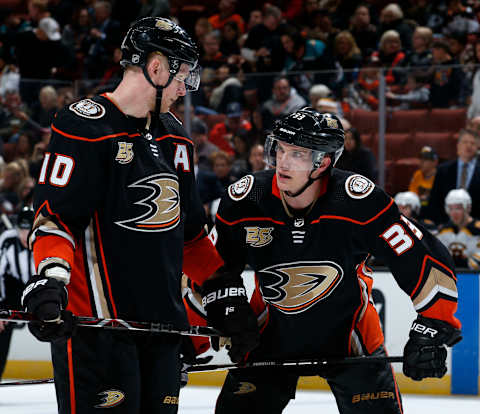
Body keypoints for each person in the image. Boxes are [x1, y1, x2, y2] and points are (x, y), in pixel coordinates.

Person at [19, 17, 257, 414]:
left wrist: (223, 292)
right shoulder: (85, 126)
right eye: (182, 74)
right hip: (98, 332)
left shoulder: (176, 138)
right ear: (157, 67)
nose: (185, 87)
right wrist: (51, 280)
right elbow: (54, 221)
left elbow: (192, 237)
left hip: (164, 334)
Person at [207, 108, 462, 414]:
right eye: (280, 149)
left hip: (352, 343)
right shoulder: (245, 199)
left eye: (298, 154)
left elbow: (423, 257)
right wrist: (225, 309)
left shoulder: (359, 202)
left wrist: (432, 325)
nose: (283, 162)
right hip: (268, 341)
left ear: (323, 162)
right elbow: (210, 265)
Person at [0, 206, 34, 380]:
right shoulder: (7, 240)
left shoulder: (43, 239)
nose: (24, 236)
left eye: (28, 231)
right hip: (12, 294)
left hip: (39, 292)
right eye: (21, 230)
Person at [425, 129, 480, 224]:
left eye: (472, 143)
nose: (468, 146)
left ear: (477, 148)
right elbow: (434, 201)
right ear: (458, 145)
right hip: (445, 225)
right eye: (465, 142)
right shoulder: (443, 170)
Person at [437, 189, 480, 270]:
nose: (454, 213)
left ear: (468, 208)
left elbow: (477, 263)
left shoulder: (477, 229)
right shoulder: (444, 230)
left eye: (458, 208)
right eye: (450, 208)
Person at [408, 146, 438, 212]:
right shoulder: (417, 174)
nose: (421, 162)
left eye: (426, 159)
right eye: (421, 158)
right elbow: (412, 195)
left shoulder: (439, 176)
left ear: (435, 162)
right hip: (418, 209)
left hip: (434, 210)